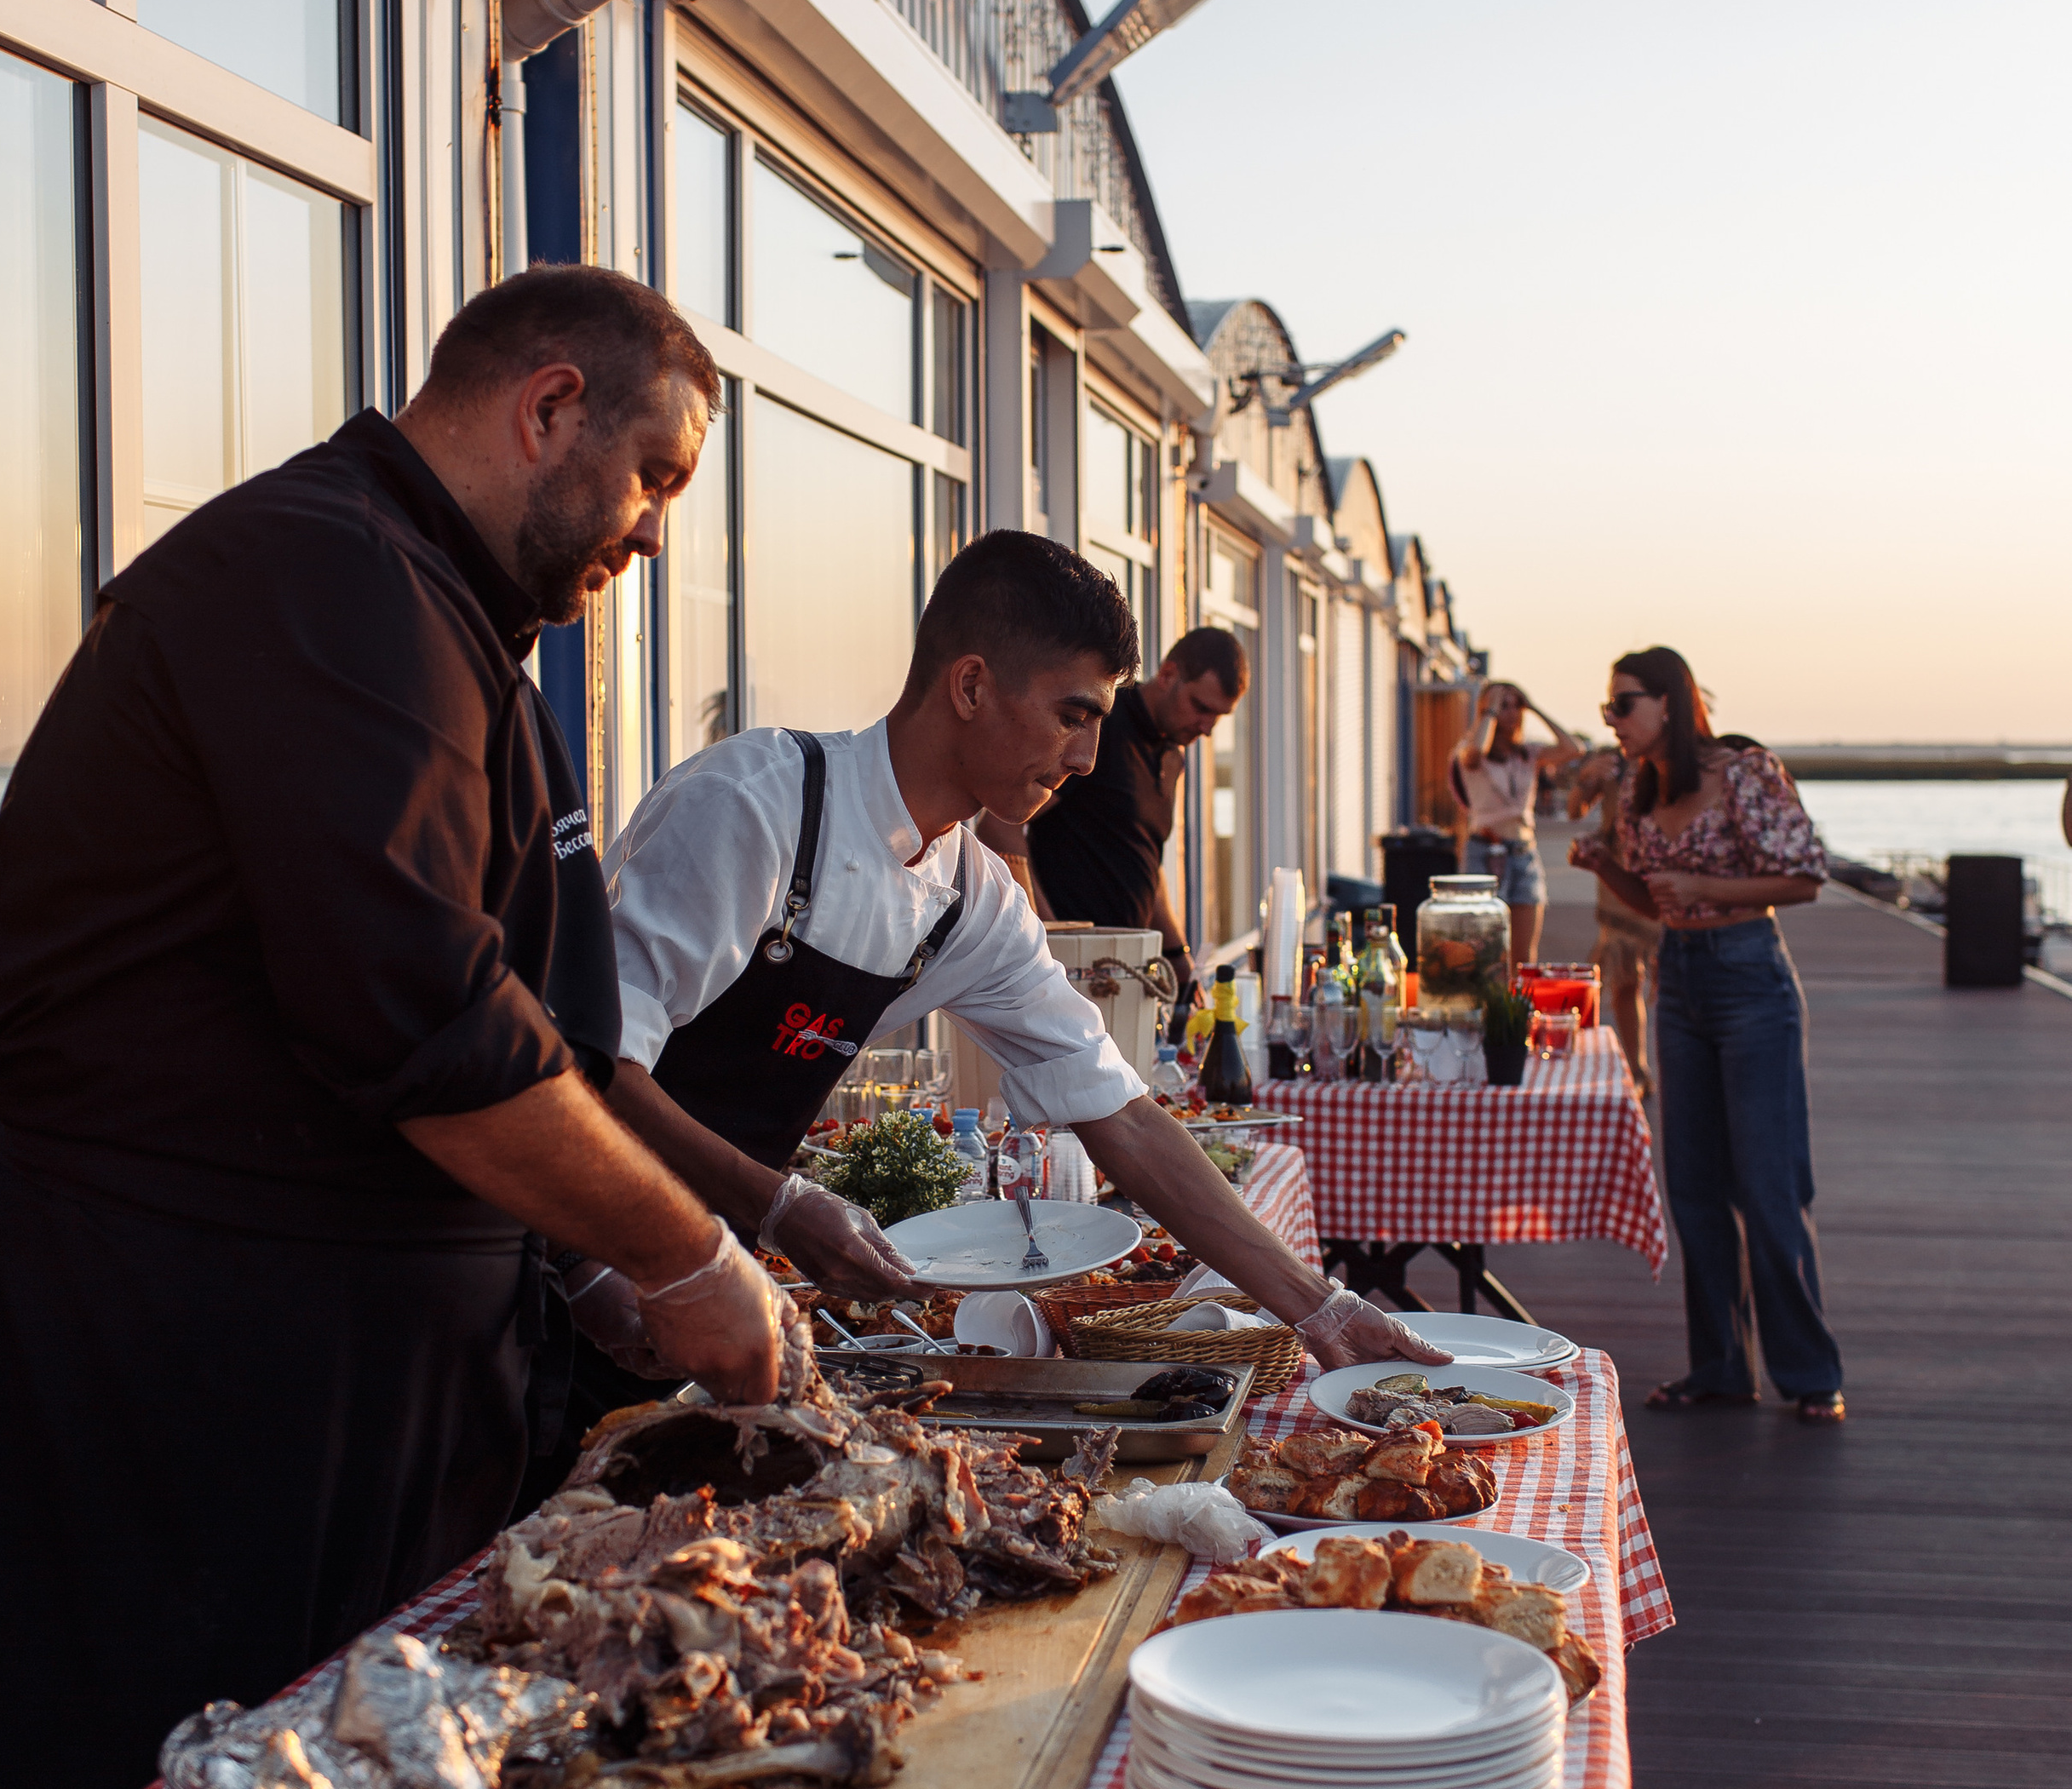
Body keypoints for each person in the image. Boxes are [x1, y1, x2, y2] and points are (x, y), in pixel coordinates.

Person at [0, 267, 791, 1789]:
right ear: (546, 403)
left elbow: (541, 1035)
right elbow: (428, 1035)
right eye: (654, 476)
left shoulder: (434, 610)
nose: (652, 532)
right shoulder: (317, 580)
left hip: (344, 1355)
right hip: (185, 1360)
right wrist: (679, 1258)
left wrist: (644, 1257)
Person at [599, 531, 1441, 1367]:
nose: (1087, 758)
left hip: (705, 1282)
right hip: (571, 1252)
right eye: (1072, 715)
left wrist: (1322, 1308)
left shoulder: (972, 896)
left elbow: (1124, 1117)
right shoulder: (755, 805)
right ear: (970, 685)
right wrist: (779, 1206)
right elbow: (593, 1064)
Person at [1570, 645, 1843, 1421]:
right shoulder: (1640, 787)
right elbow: (1657, 903)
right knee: (1692, 1187)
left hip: (1750, 977)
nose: (1612, 720)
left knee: (1768, 1186)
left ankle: (1811, 1374)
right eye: (1608, 708)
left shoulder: (1746, 772)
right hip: (1680, 979)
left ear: (1670, 701)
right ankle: (1721, 1367)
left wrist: (1703, 884)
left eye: (1624, 704)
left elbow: (1805, 878)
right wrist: (1605, 868)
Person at [976, 625, 1247, 1006]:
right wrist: (1050, 935)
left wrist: (1177, 956)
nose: (1207, 728)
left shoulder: (1172, 758)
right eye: (1201, 707)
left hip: (1126, 977)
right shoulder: (1102, 727)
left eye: (1218, 716)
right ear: (1168, 674)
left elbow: (1144, 861)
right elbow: (998, 827)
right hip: (1061, 976)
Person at [1449, 679, 1581, 966]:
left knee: (1523, 957)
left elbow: (1574, 749)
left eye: (1515, 706)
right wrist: (1490, 710)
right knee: (1483, 952)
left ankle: (1517, 997)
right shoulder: (1470, 751)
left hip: (1523, 853)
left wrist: (1533, 707)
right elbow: (1475, 754)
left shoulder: (1527, 753)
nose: (1510, 713)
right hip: (1485, 851)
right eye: (1502, 706)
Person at [1564, 746, 1661, 1093]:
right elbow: (1575, 810)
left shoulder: (1674, 758)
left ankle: (1677, 1070)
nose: (1614, 722)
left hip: (1665, 879)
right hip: (1618, 881)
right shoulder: (1611, 762)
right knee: (1624, 978)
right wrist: (1586, 778)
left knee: (1670, 981)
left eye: (1622, 716)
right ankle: (1637, 1067)